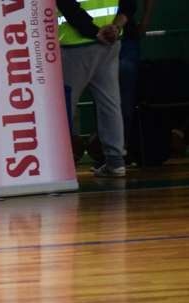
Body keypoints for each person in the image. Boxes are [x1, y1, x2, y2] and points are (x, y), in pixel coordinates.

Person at [57, 0, 135, 177]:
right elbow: (129, 4)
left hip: (76, 44)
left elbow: (67, 5)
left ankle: (59, 166)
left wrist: (94, 31)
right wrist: (115, 27)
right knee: (110, 103)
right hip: (110, 42)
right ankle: (115, 162)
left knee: (64, 106)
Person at [119, 0, 154, 165]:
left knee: (125, 101)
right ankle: (115, 153)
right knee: (107, 100)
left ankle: (121, 151)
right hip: (97, 39)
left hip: (124, 39)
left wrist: (145, 20)